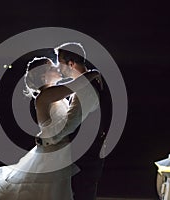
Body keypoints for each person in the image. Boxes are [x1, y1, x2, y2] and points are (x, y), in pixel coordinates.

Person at [0, 58, 101, 200]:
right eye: (52, 68)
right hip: (52, 155)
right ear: (42, 76)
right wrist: (93, 73)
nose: (57, 68)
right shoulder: (45, 95)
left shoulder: (54, 94)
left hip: (59, 150)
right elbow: (74, 86)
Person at [38, 45, 112, 200]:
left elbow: (70, 124)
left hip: (84, 159)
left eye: (60, 64)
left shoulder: (84, 89)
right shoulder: (88, 84)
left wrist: (46, 139)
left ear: (71, 64)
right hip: (86, 156)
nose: (58, 69)